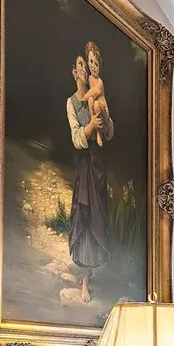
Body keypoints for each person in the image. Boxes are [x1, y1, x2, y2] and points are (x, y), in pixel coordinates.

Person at [64, 54, 112, 304]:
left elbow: (110, 130)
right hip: (84, 163)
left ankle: (89, 272)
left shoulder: (98, 93)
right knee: (83, 214)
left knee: (97, 215)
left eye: (88, 64)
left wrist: (104, 124)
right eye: (81, 65)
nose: (85, 69)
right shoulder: (72, 102)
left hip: (98, 163)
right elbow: (76, 137)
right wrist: (90, 127)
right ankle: (84, 277)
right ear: (75, 72)